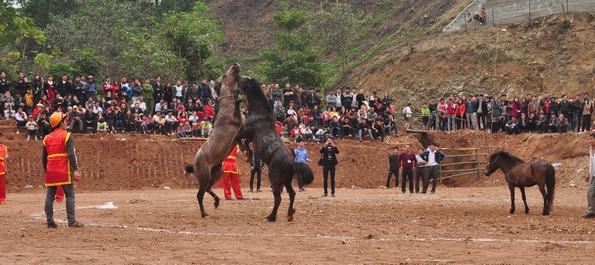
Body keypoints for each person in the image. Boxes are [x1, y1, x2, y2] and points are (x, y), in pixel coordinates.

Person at [43, 112, 83, 228]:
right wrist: (75, 170)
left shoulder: (46, 138)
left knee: (50, 196)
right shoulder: (67, 136)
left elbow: (43, 158)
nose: (66, 122)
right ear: (60, 123)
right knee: (70, 195)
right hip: (64, 169)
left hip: (51, 170)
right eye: (65, 121)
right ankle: (71, 221)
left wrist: (47, 172)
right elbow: (71, 154)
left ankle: (50, 221)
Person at [583, 133, 595, 218]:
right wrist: (589, 172)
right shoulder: (591, 149)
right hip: (594, 176)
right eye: (589, 139)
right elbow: (591, 163)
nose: (590, 141)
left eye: (591, 139)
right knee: (590, 192)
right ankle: (592, 211)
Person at [0, 133, 7, 203]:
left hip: (0, 166)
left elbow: (4, 158)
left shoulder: (3, 147)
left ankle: (1, 198)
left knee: (1, 184)